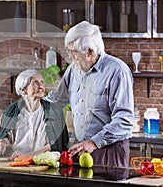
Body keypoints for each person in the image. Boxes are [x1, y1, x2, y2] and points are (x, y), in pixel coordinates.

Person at [45, 21, 134, 167]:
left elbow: (124, 119)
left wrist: (94, 142)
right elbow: (56, 100)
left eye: (73, 53)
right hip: (82, 151)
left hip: (109, 152)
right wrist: (18, 110)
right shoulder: (74, 69)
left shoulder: (117, 71)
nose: (70, 57)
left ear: (90, 52)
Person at [0, 69, 69, 160]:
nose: (41, 86)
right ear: (23, 90)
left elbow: (54, 145)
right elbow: (6, 137)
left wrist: (28, 156)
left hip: (44, 164)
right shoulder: (12, 111)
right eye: (35, 83)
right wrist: (3, 141)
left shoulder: (54, 111)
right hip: (16, 164)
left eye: (42, 82)